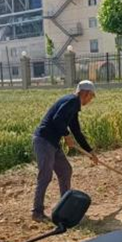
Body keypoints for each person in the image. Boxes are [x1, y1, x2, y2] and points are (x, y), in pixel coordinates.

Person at [31, 80, 99, 222]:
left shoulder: (74, 106)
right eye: (91, 97)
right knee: (45, 176)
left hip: (53, 143)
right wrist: (67, 136)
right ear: (85, 93)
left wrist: (90, 151)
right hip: (44, 141)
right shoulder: (72, 101)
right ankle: (37, 212)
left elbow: (76, 131)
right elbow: (57, 120)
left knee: (65, 170)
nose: (90, 100)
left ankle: (65, 207)